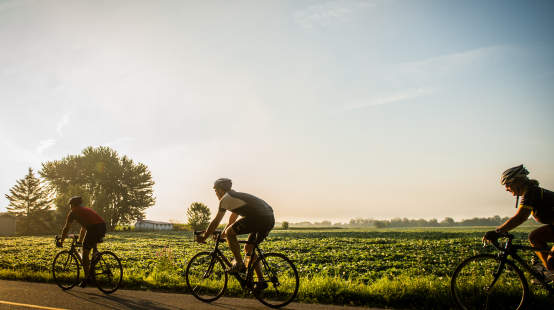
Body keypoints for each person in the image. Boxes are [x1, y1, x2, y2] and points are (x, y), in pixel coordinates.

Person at [196, 178, 275, 289]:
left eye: (215, 191)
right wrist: (223, 234)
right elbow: (232, 220)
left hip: (259, 218)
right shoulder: (235, 196)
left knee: (230, 233)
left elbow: (216, 221)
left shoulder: (225, 199)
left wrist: (204, 237)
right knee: (249, 248)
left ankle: (239, 264)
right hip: (268, 218)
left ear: (220, 190)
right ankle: (261, 281)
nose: (216, 194)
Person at [483, 165, 554, 280]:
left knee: (552, 263)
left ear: (517, 182)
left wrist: (497, 232)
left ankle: (550, 273)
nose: (506, 188)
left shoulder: (531, 192)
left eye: (507, 184)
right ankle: (550, 274)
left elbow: (520, 217)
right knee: (535, 237)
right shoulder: (532, 191)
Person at [57, 196, 106, 287]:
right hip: (102, 226)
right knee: (90, 245)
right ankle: (95, 256)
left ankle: (87, 278)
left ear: (73, 205)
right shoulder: (85, 210)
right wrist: (80, 241)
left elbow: (66, 228)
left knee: (85, 252)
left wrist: (61, 241)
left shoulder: (73, 213)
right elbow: (84, 229)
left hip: (94, 228)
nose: (70, 207)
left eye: (70, 205)